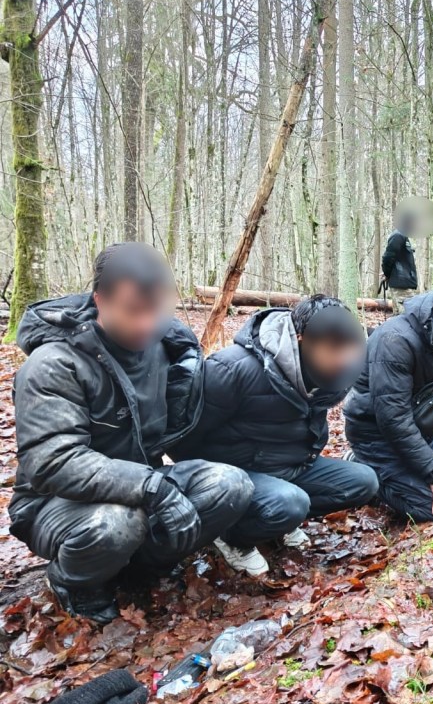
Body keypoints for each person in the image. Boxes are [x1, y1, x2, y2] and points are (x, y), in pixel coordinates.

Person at [7, 243, 253, 623]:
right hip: (54, 503)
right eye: (132, 311)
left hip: (141, 483)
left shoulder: (166, 346)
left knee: (230, 485)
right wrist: (153, 488)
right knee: (116, 523)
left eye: (155, 311)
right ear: (99, 300)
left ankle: (140, 568)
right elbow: (52, 463)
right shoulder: (54, 364)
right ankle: (74, 582)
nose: (145, 324)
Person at [170, 296, 378, 577]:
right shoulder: (233, 369)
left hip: (290, 464)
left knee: (364, 481)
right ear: (302, 339)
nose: (341, 359)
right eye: (332, 349)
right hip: (235, 475)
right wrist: (217, 493)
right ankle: (232, 536)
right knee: (289, 503)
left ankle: (276, 519)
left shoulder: (333, 372)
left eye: (347, 349)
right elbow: (184, 438)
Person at [344, 277, 433, 523]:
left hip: (422, 427)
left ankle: (413, 473)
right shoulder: (395, 341)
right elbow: (394, 420)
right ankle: (361, 466)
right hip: (378, 438)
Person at [381, 210, 419, 311]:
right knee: (407, 316)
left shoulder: (404, 236)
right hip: (401, 286)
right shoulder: (398, 236)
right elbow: (388, 257)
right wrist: (387, 273)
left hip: (404, 283)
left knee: (400, 318)